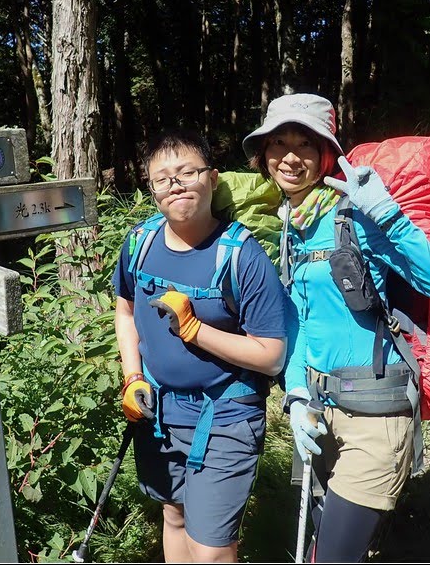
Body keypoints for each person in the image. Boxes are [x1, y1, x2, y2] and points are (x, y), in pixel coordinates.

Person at [242, 94, 430, 563]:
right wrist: (295, 394)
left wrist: (388, 214)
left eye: (305, 143)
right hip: (319, 413)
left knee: (333, 557)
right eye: (278, 143)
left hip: (376, 415)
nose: (290, 157)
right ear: (264, 154)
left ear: (327, 154)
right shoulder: (291, 225)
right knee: (326, 541)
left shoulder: (358, 215)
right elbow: (299, 321)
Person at [112, 129, 290, 562]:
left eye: (187, 173)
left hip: (225, 414)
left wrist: (194, 329)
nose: (175, 185)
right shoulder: (140, 243)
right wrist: (132, 377)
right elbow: (125, 312)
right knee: (174, 515)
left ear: (212, 178)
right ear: (152, 190)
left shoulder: (242, 256)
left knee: (210, 550)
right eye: (162, 179)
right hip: (159, 410)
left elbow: (271, 356)